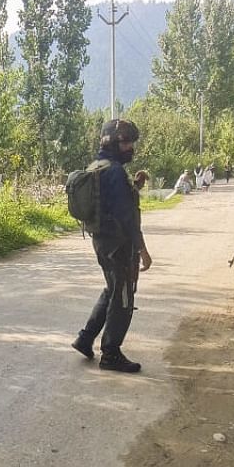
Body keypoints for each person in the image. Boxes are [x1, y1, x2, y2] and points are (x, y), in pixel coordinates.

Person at [72, 118, 153, 372]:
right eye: (127, 142)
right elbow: (126, 215)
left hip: (102, 241)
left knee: (112, 289)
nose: (131, 148)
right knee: (123, 296)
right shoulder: (115, 171)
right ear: (113, 143)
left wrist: (136, 186)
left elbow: (113, 200)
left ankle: (85, 338)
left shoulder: (98, 166)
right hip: (119, 244)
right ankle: (111, 353)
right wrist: (142, 249)